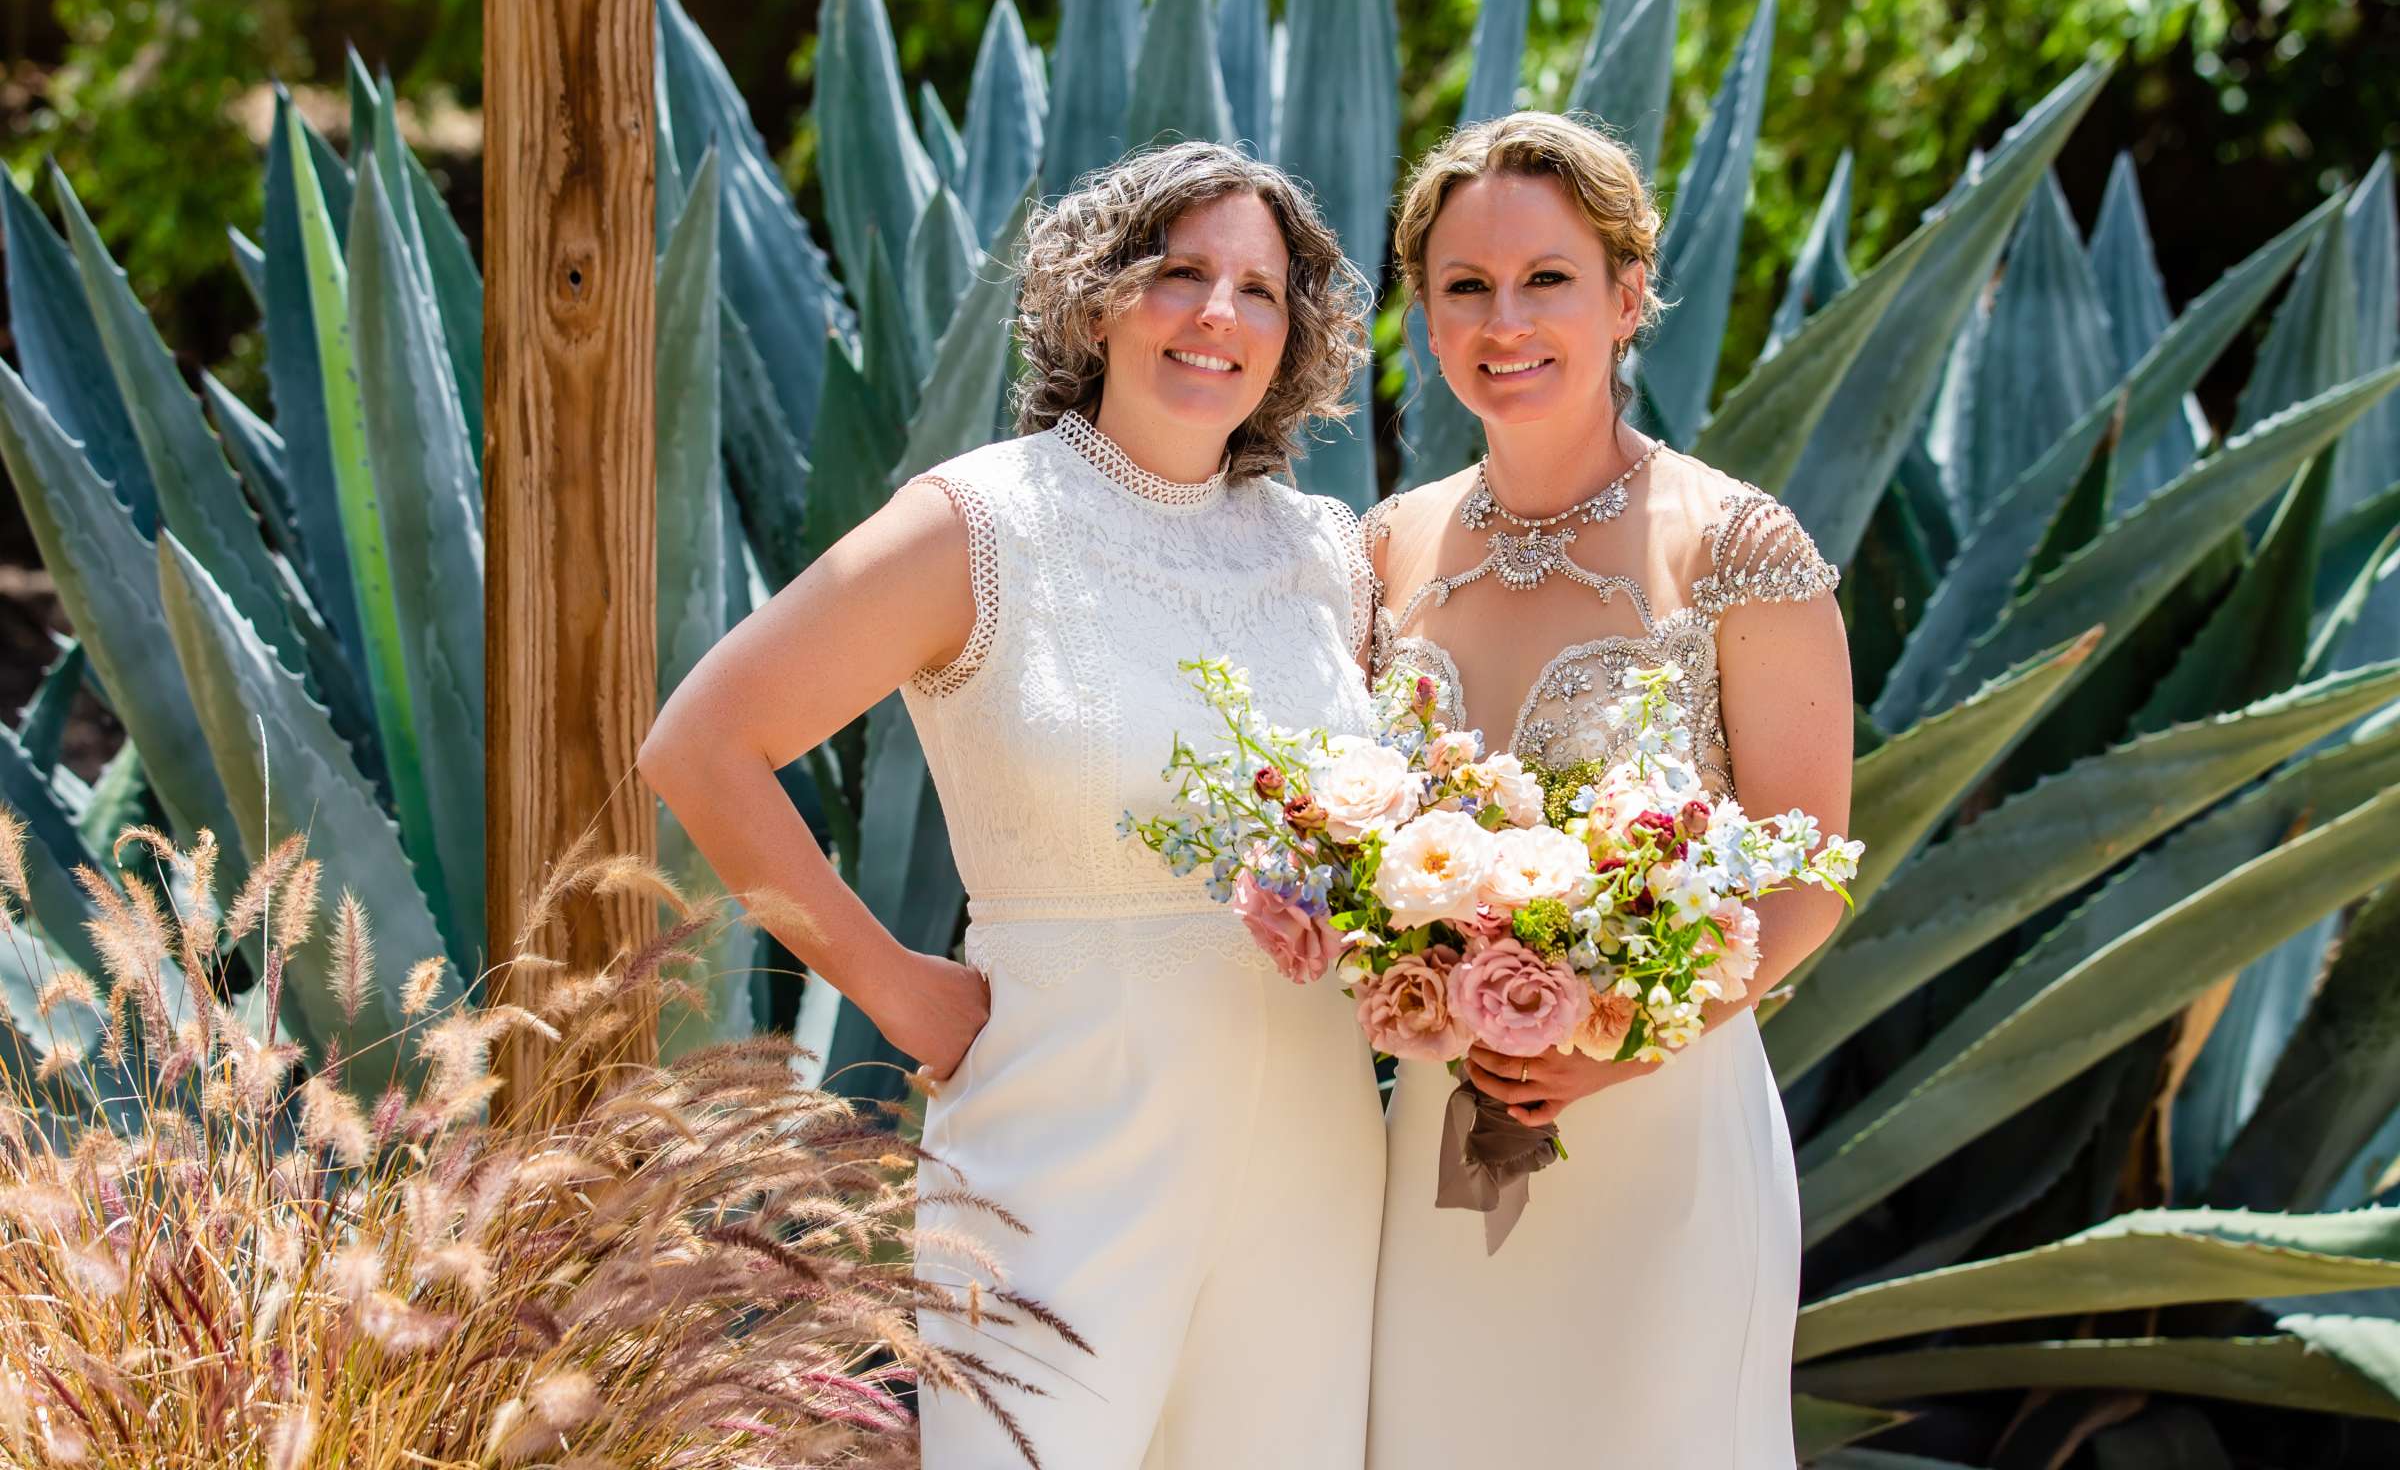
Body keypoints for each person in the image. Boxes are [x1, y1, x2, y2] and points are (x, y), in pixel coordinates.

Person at [638, 141, 1387, 1469]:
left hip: (1313, 1146)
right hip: (1064, 1133)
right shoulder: (982, 523)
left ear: (1296, 332)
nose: (1217, 315)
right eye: (1177, 272)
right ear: (1098, 300)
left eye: (1259, 291)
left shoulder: (1326, 554)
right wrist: (891, 986)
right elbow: (700, 746)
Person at [1362, 111, 1854, 1469]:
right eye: (1465, 287)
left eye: (1547, 280)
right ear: (1428, 312)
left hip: (1663, 1133)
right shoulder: (1386, 550)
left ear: (1628, 295)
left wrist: (1615, 1049)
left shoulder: (1736, 546)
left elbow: (1809, 872)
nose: (1503, 321)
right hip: (1438, 1145)